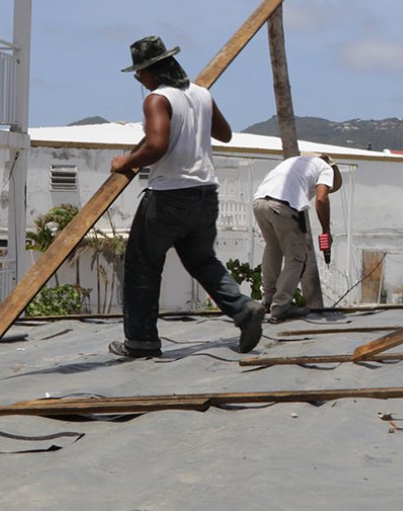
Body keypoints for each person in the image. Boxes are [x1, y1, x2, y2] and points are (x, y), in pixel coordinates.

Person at [108, 36, 264, 358]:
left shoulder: (157, 99)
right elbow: (224, 133)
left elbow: (156, 146)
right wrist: (193, 122)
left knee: (142, 267)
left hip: (168, 196)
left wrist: (125, 162)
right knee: (202, 259)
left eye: (140, 74)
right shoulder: (202, 95)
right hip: (205, 194)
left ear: (151, 71)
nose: (140, 80)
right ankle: (243, 309)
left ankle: (141, 343)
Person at [251, 153, 342, 323]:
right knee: (296, 257)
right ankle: (280, 307)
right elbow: (322, 199)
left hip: (259, 202)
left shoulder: (295, 162)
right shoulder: (325, 168)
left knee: (273, 248)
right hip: (281, 205)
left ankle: (267, 300)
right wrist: (326, 230)